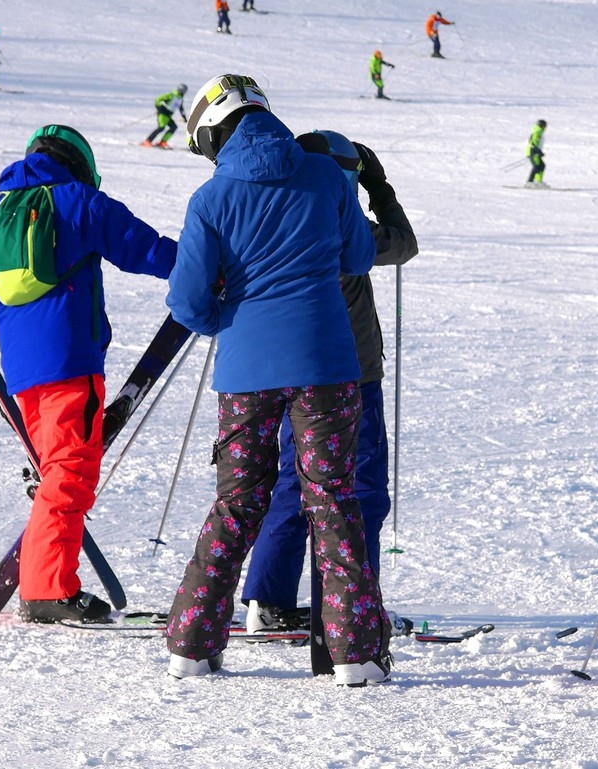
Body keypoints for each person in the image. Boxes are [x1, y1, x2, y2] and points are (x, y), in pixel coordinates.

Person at [164, 74, 390, 687]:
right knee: (334, 500)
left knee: (238, 502)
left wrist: (227, 320)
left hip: (244, 374)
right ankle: (356, 657)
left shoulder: (210, 200)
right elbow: (361, 257)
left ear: (213, 132)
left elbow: (186, 302)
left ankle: (191, 645)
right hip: (326, 368)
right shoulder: (322, 176)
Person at [0, 125, 178, 624]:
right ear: (80, 166)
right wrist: (206, 267)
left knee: (60, 470)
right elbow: (145, 249)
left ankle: (44, 578)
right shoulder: (76, 201)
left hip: (20, 376)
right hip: (70, 362)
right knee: (71, 473)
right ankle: (48, 590)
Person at [240, 130, 418, 632]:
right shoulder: (345, 224)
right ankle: (350, 610)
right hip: (352, 378)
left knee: (297, 484)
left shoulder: (277, 220)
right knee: (359, 492)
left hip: (291, 376)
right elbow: (403, 242)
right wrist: (378, 185)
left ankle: (266, 601)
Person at [142, 84, 189, 149]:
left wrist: (184, 117)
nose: (184, 93)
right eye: (184, 91)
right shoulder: (172, 95)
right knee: (161, 127)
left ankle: (162, 142)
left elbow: (181, 108)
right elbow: (158, 99)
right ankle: (147, 141)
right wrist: (159, 108)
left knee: (174, 127)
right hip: (163, 114)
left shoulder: (180, 99)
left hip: (168, 115)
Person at [525, 119, 547, 187]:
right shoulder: (538, 132)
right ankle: (529, 181)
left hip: (535, 151)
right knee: (537, 166)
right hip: (533, 151)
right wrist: (538, 151)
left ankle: (538, 181)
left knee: (541, 165)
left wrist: (539, 151)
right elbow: (534, 142)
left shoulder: (538, 132)